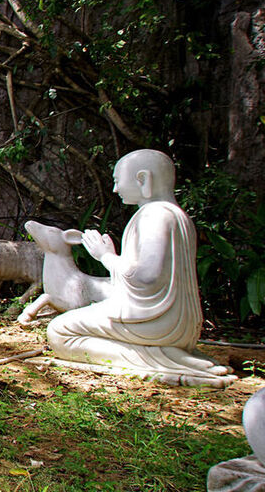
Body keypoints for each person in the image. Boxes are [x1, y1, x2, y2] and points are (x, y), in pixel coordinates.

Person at [47, 149, 234, 387]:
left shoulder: (154, 215)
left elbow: (146, 277)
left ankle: (167, 361)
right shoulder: (177, 216)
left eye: (117, 181)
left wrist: (105, 256)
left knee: (59, 332)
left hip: (154, 322)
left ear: (143, 179)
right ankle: (177, 356)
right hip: (180, 325)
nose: (115, 190)